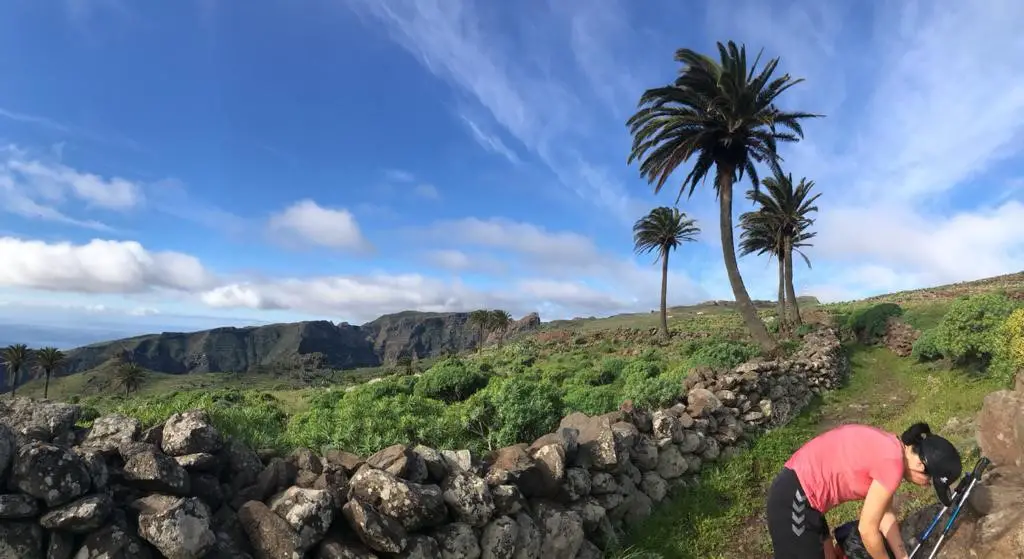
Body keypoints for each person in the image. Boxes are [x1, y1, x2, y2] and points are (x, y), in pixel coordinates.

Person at [765, 422, 963, 559]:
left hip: (805, 499)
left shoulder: (892, 448)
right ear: (921, 465)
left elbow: (886, 515)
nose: (927, 485)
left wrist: (902, 555)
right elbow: (867, 531)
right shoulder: (892, 463)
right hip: (794, 501)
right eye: (930, 481)